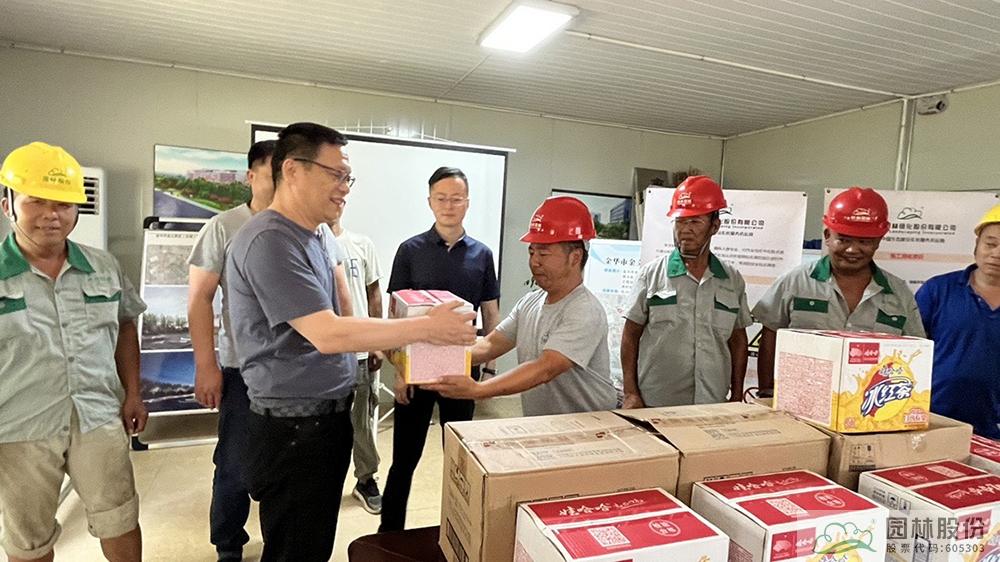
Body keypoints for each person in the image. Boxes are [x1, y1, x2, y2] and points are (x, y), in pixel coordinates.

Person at [225, 122, 475, 561]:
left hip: (325, 419)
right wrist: (425, 329)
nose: (344, 188)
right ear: (294, 170)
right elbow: (328, 332)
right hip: (293, 429)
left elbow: (348, 312)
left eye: (348, 178)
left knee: (313, 542)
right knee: (295, 549)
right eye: (336, 175)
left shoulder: (318, 233)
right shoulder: (270, 240)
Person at [0, 142, 147, 562]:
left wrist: (133, 392)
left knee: (119, 515)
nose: (52, 214)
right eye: (37, 201)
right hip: (19, 427)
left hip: (97, 416)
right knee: (30, 536)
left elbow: (124, 325)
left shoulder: (103, 266)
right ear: (8, 206)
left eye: (63, 204)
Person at [379, 166, 501, 532]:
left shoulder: (482, 254)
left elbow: (490, 313)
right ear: (430, 202)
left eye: (456, 199)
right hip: (416, 371)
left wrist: (489, 368)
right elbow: (396, 315)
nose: (449, 205)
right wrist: (400, 373)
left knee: (461, 461)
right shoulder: (410, 250)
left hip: (462, 369)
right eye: (441, 198)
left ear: (467, 203)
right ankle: (390, 533)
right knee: (404, 459)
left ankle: (458, 531)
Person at [423, 195, 617, 417]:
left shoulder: (584, 310)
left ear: (575, 257)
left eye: (543, 253)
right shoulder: (530, 303)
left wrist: (478, 389)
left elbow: (546, 368)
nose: (534, 261)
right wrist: (430, 358)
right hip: (546, 423)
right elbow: (489, 345)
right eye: (532, 252)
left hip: (590, 425)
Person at [187, 139, 275, 561]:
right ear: (251, 176)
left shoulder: (305, 227)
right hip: (242, 368)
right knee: (235, 464)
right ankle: (228, 543)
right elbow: (199, 298)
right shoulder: (224, 226)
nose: (281, 183)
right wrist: (206, 365)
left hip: (290, 374)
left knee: (281, 465)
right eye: (272, 174)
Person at [753, 187, 924, 397]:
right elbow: (770, 336)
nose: (852, 250)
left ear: (878, 241)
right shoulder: (795, 282)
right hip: (801, 399)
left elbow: (915, 352)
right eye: (843, 239)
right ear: (827, 235)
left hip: (869, 404)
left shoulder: (899, 293)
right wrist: (767, 392)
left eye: (864, 242)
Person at [620, 176, 751, 408]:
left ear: (715, 226)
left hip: (711, 403)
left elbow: (738, 340)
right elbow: (630, 335)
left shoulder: (731, 280)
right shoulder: (651, 275)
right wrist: (631, 393)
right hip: (656, 403)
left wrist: (737, 395)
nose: (685, 230)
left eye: (695, 222)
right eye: (680, 222)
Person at [916, 203, 1000, 438]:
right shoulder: (937, 290)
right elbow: (910, 353)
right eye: (990, 244)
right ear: (976, 245)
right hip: (932, 420)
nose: (997, 253)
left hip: (993, 429)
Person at [324, 202, 385, 514]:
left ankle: (365, 479)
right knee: (323, 425)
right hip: (322, 356)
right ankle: (321, 483)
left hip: (359, 352)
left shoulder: (362, 244)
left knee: (361, 421)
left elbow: (374, 293)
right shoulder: (307, 246)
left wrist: (376, 342)